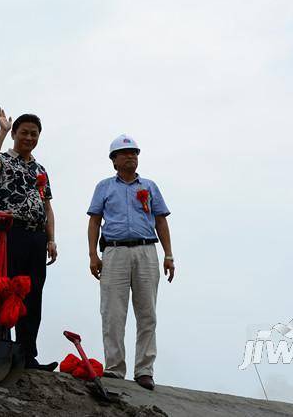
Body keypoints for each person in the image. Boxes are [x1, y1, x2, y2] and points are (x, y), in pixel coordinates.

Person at [86, 134, 175, 391]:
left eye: (134, 152)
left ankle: (144, 369)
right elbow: (94, 221)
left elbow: (161, 220)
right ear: (114, 160)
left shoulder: (149, 186)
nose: (131, 156)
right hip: (114, 252)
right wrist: (93, 254)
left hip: (147, 250)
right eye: (125, 153)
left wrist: (168, 255)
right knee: (112, 311)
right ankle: (114, 367)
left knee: (147, 312)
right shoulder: (104, 186)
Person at [0, 108, 58, 371]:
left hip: (37, 236)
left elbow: (47, 207)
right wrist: (2, 130)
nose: (29, 138)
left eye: (34, 134)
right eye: (24, 133)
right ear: (15, 134)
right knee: (6, 289)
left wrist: (51, 239)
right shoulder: (4, 160)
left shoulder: (40, 169)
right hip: (10, 233)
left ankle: (28, 354)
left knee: (33, 294)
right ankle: (1, 349)